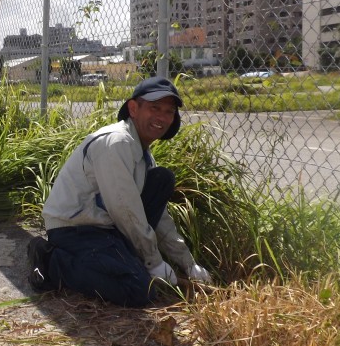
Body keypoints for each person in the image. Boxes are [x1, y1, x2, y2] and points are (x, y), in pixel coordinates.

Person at [27, 76, 212, 307]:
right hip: (75, 229)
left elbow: (157, 216)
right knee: (139, 290)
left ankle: (120, 259)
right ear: (133, 108)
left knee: (163, 179)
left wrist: (187, 263)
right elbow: (125, 210)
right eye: (154, 108)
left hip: (106, 228)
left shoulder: (144, 156)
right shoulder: (117, 143)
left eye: (169, 111)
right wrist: (153, 261)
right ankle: (52, 261)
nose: (162, 117)